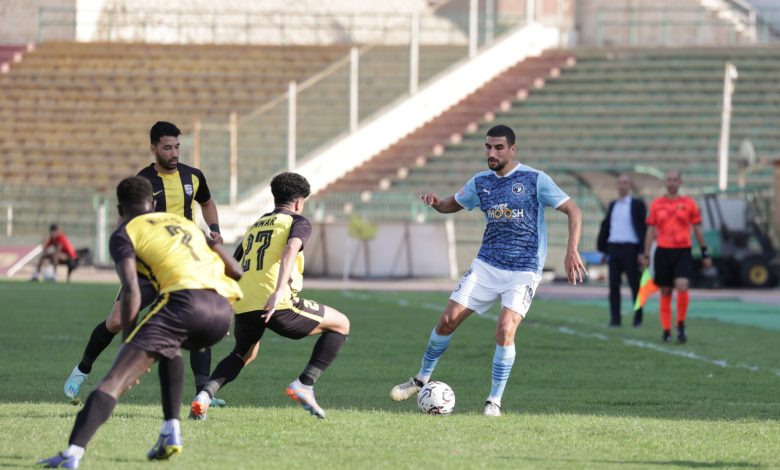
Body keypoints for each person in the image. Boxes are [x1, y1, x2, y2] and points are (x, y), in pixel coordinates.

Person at [38, 176, 242, 468]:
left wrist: (128, 345)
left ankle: (72, 454)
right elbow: (234, 270)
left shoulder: (124, 233)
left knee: (113, 382)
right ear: (155, 203)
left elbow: (132, 291)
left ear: (120, 210)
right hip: (221, 313)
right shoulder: (186, 224)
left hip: (183, 305)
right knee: (170, 349)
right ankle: (171, 431)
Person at [389, 125, 587, 417]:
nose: (491, 153)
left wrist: (571, 250)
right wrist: (436, 203)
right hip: (486, 265)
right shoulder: (481, 182)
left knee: (506, 329)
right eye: (487, 147)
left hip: (523, 269)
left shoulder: (535, 179)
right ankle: (421, 379)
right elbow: (451, 205)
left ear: (512, 150)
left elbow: (574, 210)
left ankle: (493, 401)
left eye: (498, 148)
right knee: (447, 320)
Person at [64, 121, 228, 413]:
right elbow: (126, 220)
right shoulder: (143, 181)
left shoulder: (194, 176)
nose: (174, 152)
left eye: (177, 146)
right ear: (153, 148)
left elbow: (208, 202)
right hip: (149, 264)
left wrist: (214, 228)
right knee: (115, 320)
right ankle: (82, 370)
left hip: (185, 263)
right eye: (167, 147)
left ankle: (203, 392)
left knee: (199, 320)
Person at [190, 172, 350, 420]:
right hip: (276, 302)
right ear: (298, 202)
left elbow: (234, 264)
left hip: (244, 302)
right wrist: (277, 293)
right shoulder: (298, 221)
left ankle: (204, 396)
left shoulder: (256, 226)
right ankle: (305, 384)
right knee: (341, 324)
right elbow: (290, 250)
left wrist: (223, 304)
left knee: (244, 353)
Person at [642, 169, 712, 343]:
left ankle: (680, 324)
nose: (672, 182)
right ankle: (666, 330)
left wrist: (705, 253)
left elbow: (697, 229)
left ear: (680, 182)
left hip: (682, 251)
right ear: (666, 182)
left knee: (682, 285)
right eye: (669, 180)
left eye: (675, 180)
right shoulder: (657, 204)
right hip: (663, 251)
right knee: (665, 290)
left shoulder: (689, 203)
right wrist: (646, 254)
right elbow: (650, 230)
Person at [597, 173, 647, 327]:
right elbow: (608, 228)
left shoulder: (637, 204)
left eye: (625, 183)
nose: (622, 185)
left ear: (629, 185)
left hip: (631, 249)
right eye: (620, 183)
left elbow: (643, 229)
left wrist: (641, 252)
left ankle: (638, 319)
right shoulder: (613, 205)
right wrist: (604, 250)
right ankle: (615, 319)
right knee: (613, 286)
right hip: (614, 248)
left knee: (635, 285)